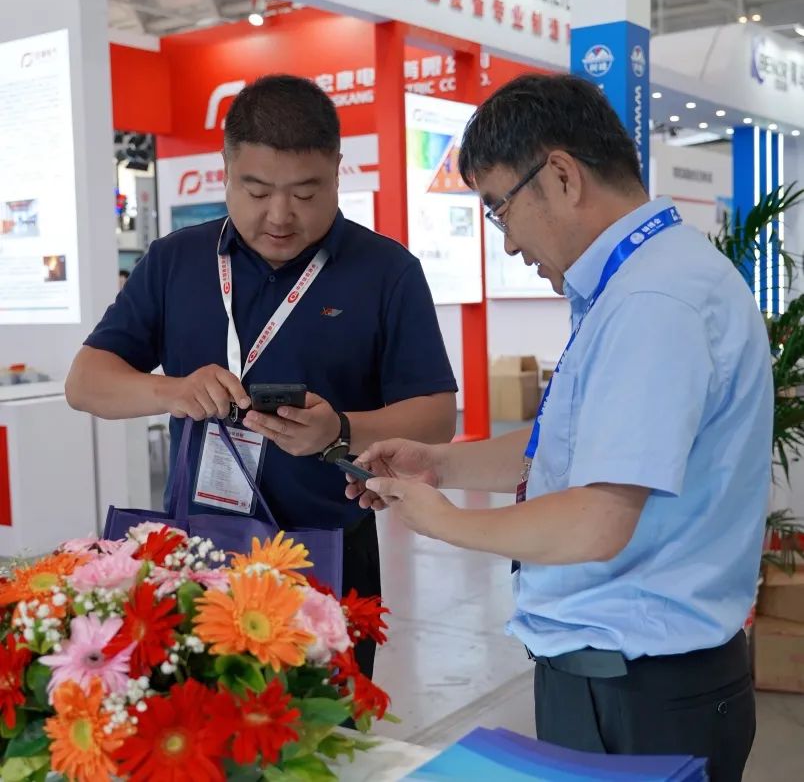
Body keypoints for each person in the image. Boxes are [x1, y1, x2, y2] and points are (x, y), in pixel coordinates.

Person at [347, 74, 772, 781]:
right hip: (626, 678)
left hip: (641, 691)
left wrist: (446, 522)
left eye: (500, 208)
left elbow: (596, 520)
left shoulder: (653, 300)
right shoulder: (644, 281)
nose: (509, 242)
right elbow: (574, 445)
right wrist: (438, 465)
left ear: (563, 176)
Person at [66, 74, 458, 679]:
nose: (279, 216)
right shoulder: (176, 260)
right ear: (226, 171)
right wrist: (172, 390)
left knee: (324, 726)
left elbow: (436, 415)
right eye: (256, 190)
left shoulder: (386, 272)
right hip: (197, 550)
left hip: (326, 551)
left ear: (336, 172)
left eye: (306, 193)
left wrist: (340, 429)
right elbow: (86, 382)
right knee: (195, 718)